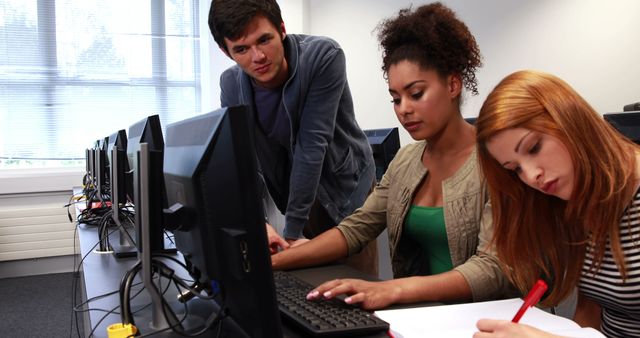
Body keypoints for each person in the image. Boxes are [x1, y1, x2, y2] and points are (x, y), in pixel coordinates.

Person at [271, 2, 513, 310]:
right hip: (419, 316)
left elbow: (491, 269)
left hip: (480, 320)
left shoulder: (496, 162)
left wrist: (394, 290)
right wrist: (276, 262)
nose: (404, 109)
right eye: (395, 98)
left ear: (453, 84)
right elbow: (356, 228)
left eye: (416, 94)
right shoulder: (406, 161)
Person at [473, 70, 640, 337]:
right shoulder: (576, 198)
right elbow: (589, 313)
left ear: (569, 119)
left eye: (534, 148)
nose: (531, 176)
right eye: (515, 169)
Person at [208, 0, 377, 262]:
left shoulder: (323, 56)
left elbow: (312, 145)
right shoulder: (231, 85)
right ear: (226, 51)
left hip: (346, 190)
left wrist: (292, 231)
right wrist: (259, 223)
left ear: (282, 29)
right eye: (241, 49)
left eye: (264, 40)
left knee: (352, 285)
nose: (258, 57)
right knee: (306, 287)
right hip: (297, 192)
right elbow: (242, 162)